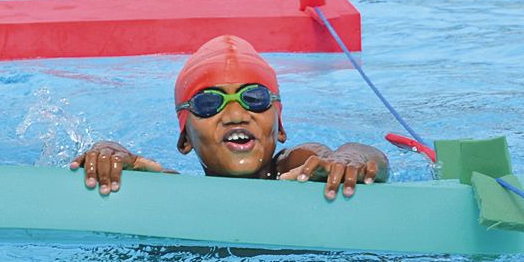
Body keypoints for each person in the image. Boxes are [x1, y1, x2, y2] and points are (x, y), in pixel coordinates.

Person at [69, 34, 388, 200]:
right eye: (209, 103)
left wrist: (349, 158)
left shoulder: (294, 168)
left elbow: (333, 156)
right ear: (184, 139)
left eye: (255, 98)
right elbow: (144, 173)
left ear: (280, 128)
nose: (235, 114)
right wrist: (107, 152)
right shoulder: (176, 193)